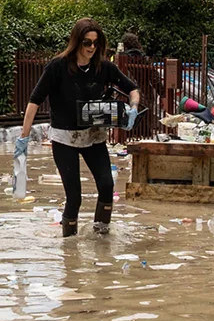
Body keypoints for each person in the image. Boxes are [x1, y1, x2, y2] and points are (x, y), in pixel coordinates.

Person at [19, 19, 141, 237]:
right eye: (87, 42)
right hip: (64, 138)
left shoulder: (103, 67)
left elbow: (132, 89)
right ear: (76, 42)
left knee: (106, 185)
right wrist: (24, 137)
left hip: (93, 136)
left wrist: (133, 108)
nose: (91, 48)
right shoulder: (57, 67)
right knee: (74, 196)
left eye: (95, 43)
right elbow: (34, 100)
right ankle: (69, 245)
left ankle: (101, 235)